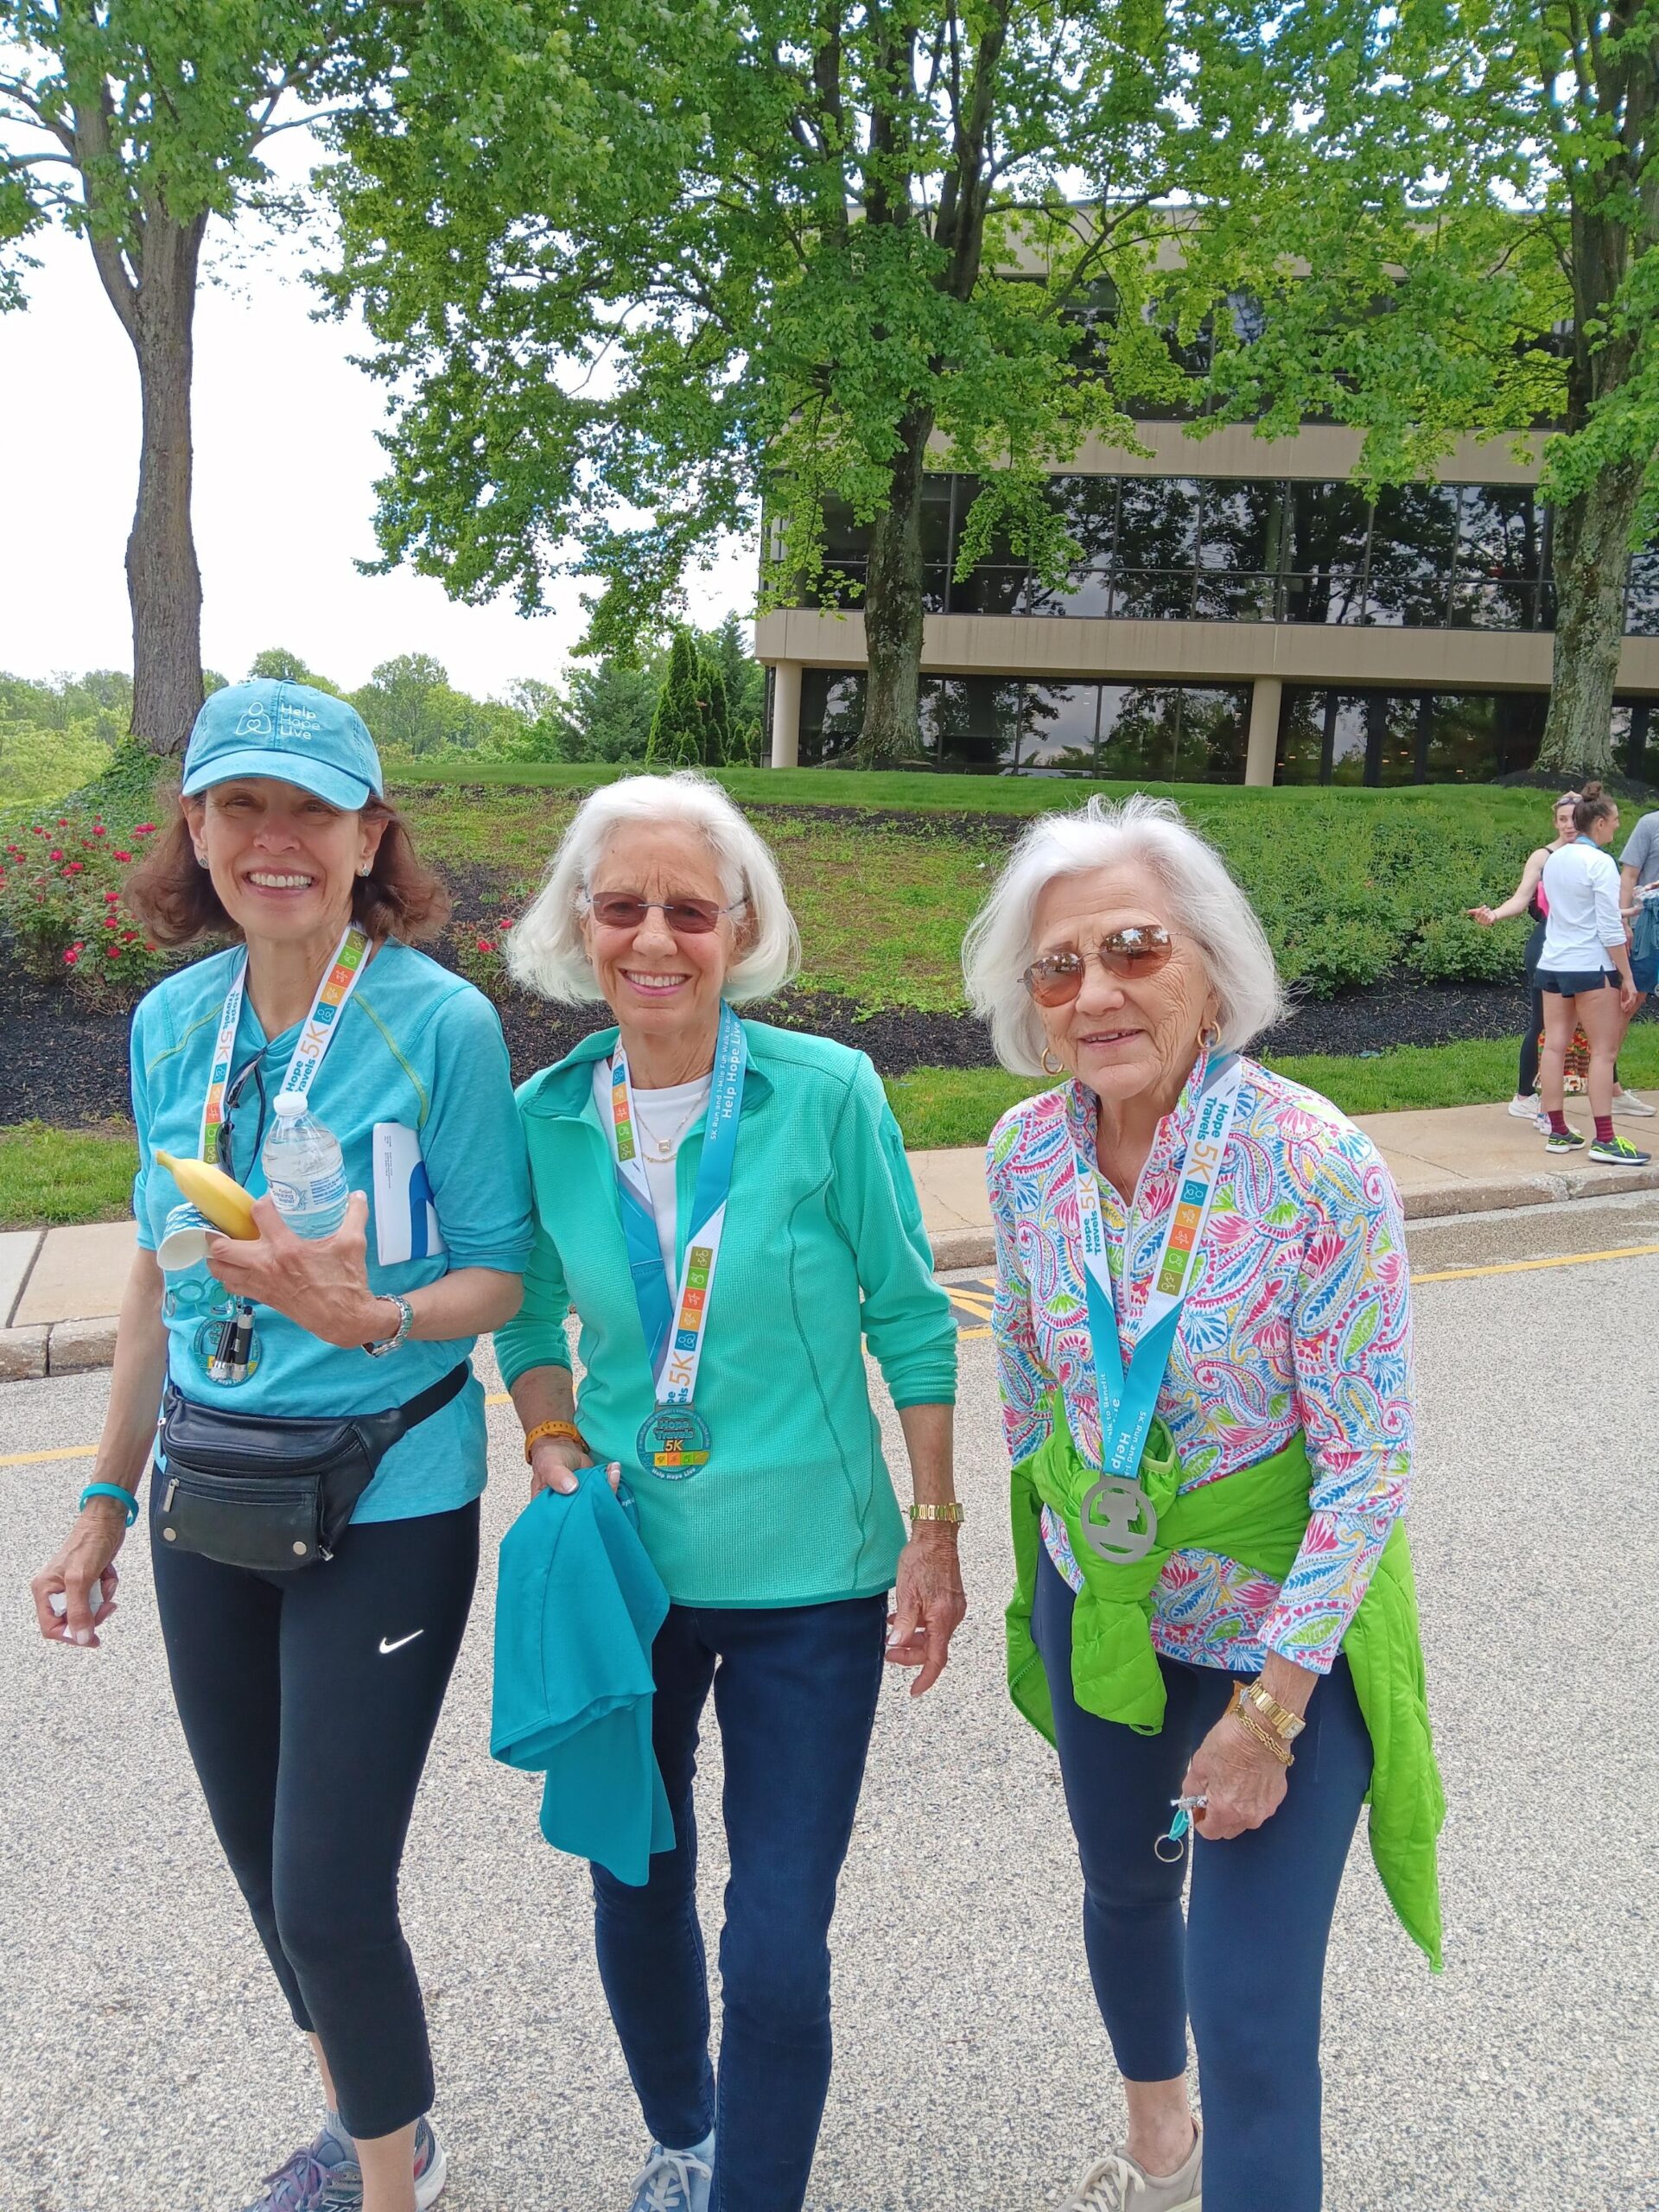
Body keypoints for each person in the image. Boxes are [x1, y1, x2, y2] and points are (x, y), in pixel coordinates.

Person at [29, 680, 533, 2212]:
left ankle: (390, 2181)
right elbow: (155, 1276)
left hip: (389, 1488)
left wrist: (368, 1312)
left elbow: (499, 1278)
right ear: (194, 829)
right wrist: (104, 1498)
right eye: (241, 805)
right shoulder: (170, 1022)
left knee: (327, 1888)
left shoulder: (436, 1018)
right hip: (209, 1488)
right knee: (264, 1874)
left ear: (370, 835)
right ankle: (368, 2118)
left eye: (312, 808)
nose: (276, 838)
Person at [493, 770, 963, 2212]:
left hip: (812, 1579)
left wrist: (935, 1536)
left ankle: (756, 2190)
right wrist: (549, 1435)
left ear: (740, 926)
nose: (653, 938)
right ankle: (687, 2138)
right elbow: (524, 1321)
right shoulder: (547, 1114)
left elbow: (912, 1317)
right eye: (622, 905)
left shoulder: (827, 1096)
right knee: (633, 1876)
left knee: (772, 1935)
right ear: (581, 923)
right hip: (630, 1566)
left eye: (687, 910)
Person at [964, 793, 1442, 2212]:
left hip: (1274, 1639)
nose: (1096, 991)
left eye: (1133, 949)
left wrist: (1271, 1715)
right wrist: (1033, 1562)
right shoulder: (1023, 1153)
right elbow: (1033, 1381)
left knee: (1247, 2021)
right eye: (1059, 967)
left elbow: (1368, 1467)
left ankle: (1217, 2133)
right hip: (1099, 1603)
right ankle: (1154, 2135)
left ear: (1213, 974)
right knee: (1122, 1890)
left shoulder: (1318, 1165)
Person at [1469, 791, 1653, 1123]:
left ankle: (1562, 1121)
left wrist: (1632, 906)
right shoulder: (1573, 860)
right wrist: (1626, 976)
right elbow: (1528, 900)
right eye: (1564, 819)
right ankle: (1586, 1127)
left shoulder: (1565, 861)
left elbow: (1586, 909)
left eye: (1573, 818)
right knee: (1585, 1044)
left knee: (1568, 1039)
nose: (1569, 824)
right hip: (1575, 955)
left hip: (1559, 956)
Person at [1535, 784, 1651, 1166]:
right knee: (1604, 1052)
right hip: (1592, 967)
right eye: (1615, 822)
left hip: (1553, 963)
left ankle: (1558, 1130)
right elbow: (1607, 928)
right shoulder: (1600, 863)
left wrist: (1625, 913)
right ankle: (1605, 1139)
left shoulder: (1555, 859)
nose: (1617, 828)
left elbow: (1573, 910)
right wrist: (1628, 978)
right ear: (1599, 823)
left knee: (1555, 1045)